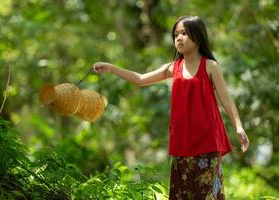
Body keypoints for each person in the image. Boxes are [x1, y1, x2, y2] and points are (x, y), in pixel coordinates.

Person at [93, 16, 249, 200]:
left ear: (198, 37)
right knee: (181, 194)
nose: (179, 38)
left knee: (206, 195)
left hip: (207, 142)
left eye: (184, 33)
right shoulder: (172, 68)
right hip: (182, 143)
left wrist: (238, 127)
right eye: (176, 34)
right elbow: (140, 79)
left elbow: (226, 99)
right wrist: (111, 68)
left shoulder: (210, 66)